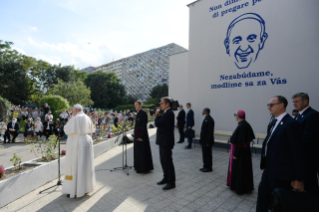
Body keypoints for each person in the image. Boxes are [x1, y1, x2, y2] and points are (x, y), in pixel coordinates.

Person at [256, 96, 303, 212]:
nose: (268, 107)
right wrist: (265, 164)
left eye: (271, 105)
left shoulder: (291, 124)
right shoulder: (273, 121)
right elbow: (269, 144)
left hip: (281, 173)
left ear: (281, 105)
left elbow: (297, 152)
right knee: (262, 197)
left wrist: (298, 178)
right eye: (268, 105)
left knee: (279, 203)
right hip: (268, 170)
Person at [62, 104, 96, 198]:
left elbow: (66, 130)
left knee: (77, 165)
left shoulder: (75, 118)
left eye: (73, 111)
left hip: (78, 143)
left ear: (76, 110)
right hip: (87, 140)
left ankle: (76, 190)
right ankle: (85, 188)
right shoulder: (87, 117)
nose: (72, 112)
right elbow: (92, 130)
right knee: (85, 165)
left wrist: (69, 121)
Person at [292, 92, 319, 196]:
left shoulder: (312, 115)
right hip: (300, 156)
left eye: (297, 101)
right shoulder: (298, 115)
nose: (294, 104)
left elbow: (307, 137)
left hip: (308, 157)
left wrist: (294, 148)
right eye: (293, 102)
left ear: (305, 101)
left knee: (310, 182)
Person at [227, 110, 255, 194]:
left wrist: (235, 154)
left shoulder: (241, 126)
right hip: (245, 152)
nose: (235, 117)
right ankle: (247, 187)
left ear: (238, 116)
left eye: (236, 115)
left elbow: (239, 142)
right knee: (245, 170)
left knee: (240, 170)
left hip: (240, 153)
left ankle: (239, 188)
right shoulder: (246, 124)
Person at [155, 97, 176, 190]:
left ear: (167, 104)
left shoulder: (169, 113)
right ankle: (166, 178)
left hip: (166, 142)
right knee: (163, 161)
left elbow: (158, 123)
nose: (160, 105)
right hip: (163, 141)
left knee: (168, 161)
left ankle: (171, 182)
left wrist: (158, 115)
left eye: (162, 103)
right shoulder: (166, 113)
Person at [133, 100, 154, 173]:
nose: (135, 107)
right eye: (134, 105)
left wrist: (141, 136)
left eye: (136, 105)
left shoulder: (143, 113)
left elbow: (143, 126)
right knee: (138, 152)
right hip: (137, 135)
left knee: (142, 152)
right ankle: (138, 167)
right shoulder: (138, 113)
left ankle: (144, 168)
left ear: (140, 105)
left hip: (141, 136)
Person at [199, 108, 215, 172]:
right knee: (204, 154)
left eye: (203, 111)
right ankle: (205, 166)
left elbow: (210, 132)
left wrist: (208, 142)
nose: (202, 113)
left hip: (207, 141)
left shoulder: (210, 120)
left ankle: (209, 167)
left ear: (207, 112)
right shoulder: (206, 119)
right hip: (203, 140)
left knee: (208, 154)